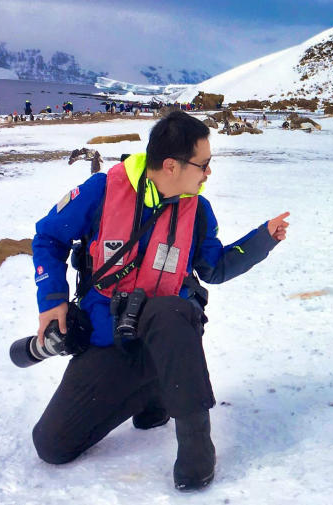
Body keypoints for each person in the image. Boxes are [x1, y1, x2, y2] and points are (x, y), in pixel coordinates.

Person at [29, 110, 289, 490]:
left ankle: (196, 443)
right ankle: (152, 389)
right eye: (204, 164)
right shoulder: (100, 192)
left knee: (169, 310)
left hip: (171, 336)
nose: (208, 173)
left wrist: (261, 240)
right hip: (108, 339)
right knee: (52, 444)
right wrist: (52, 298)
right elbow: (47, 238)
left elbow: (214, 269)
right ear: (171, 165)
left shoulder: (197, 210)